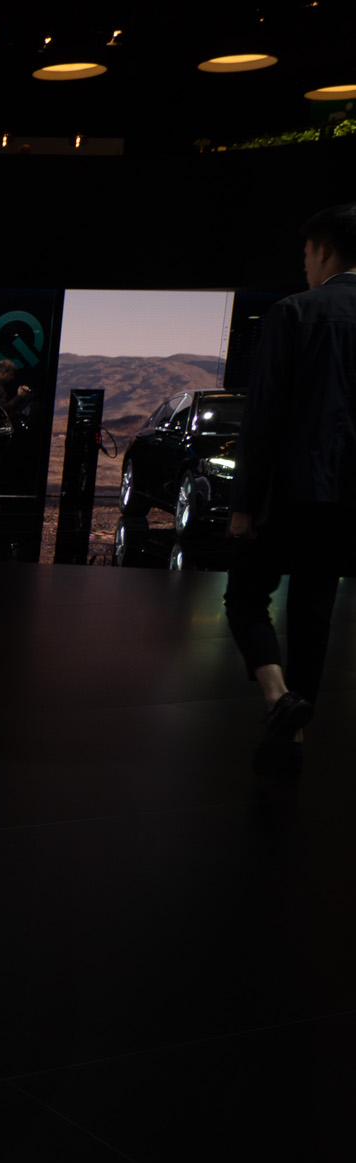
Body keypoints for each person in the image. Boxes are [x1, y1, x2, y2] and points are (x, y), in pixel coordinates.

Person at [223, 202, 356, 775]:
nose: (304, 265)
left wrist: (244, 503)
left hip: (288, 491)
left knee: (245, 598)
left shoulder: (295, 312)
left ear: (324, 249)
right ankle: (295, 734)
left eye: (306, 254)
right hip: (346, 499)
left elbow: (264, 417)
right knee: (314, 611)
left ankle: (280, 699)